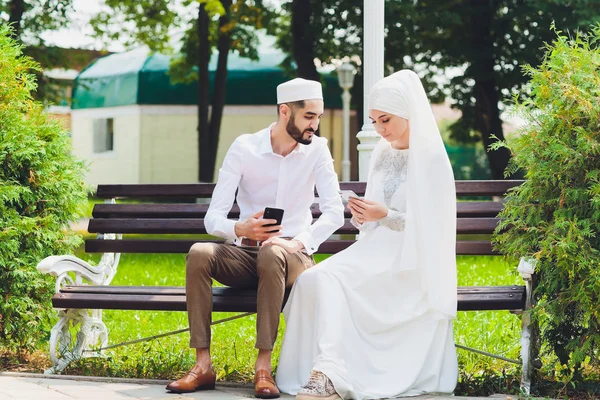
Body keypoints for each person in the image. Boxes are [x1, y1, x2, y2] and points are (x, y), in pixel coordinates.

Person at [276, 70, 459, 400]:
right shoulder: (381, 153)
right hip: (375, 249)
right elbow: (374, 219)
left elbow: (436, 227)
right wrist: (365, 217)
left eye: (385, 119)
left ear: (407, 112)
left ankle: (330, 373)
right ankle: (317, 370)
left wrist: (385, 215)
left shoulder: (431, 158)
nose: (380, 129)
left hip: (412, 260)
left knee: (332, 280)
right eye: (374, 121)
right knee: (311, 281)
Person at [166, 78, 345, 397]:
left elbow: (333, 211)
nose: (314, 126)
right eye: (308, 117)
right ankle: (203, 365)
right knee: (199, 253)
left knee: (273, 253)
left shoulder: (317, 150)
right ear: (285, 111)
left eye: (317, 117)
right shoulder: (245, 148)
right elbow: (213, 218)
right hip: (246, 254)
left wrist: (296, 242)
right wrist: (240, 229)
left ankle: (263, 368)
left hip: (293, 255)